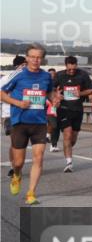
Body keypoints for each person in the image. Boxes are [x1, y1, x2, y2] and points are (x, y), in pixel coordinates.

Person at [1, 45, 59, 205]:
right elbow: (1, 93)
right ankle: (17, 175)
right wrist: (17, 103)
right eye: (32, 57)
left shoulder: (46, 76)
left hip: (39, 122)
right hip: (20, 122)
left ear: (42, 58)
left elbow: (49, 92)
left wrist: (53, 98)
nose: (35, 60)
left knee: (38, 158)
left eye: (39, 57)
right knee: (18, 162)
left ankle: (31, 193)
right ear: (27, 58)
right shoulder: (18, 74)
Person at [52, 56, 92, 172]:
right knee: (67, 134)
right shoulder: (59, 75)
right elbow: (50, 89)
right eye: (69, 69)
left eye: (73, 68)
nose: (71, 71)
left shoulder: (83, 75)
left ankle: (68, 148)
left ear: (76, 65)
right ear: (66, 66)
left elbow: (91, 90)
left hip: (77, 109)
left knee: (73, 139)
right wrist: (56, 95)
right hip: (64, 109)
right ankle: (69, 162)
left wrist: (80, 93)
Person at [3, 55, 27, 179]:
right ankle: (14, 168)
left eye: (25, 64)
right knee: (14, 143)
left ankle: (17, 166)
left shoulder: (28, 78)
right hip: (10, 114)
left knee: (21, 144)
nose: (25, 66)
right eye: (23, 64)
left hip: (27, 115)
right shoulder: (6, 79)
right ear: (17, 66)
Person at [45, 68, 59, 151]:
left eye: (53, 73)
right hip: (47, 106)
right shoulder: (46, 82)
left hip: (56, 105)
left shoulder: (58, 82)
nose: (52, 75)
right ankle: (48, 136)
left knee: (54, 125)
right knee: (53, 124)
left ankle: (52, 143)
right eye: (50, 73)